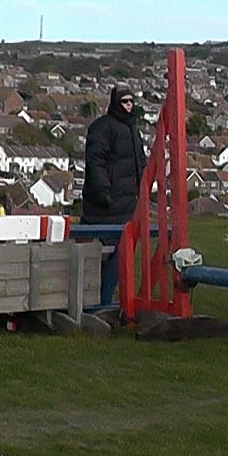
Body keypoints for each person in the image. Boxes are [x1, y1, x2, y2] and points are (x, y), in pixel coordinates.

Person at [80, 85, 147, 306]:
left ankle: (104, 301)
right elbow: (95, 162)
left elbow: (140, 163)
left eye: (131, 101)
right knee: (97, 258)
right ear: (116, 102)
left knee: (119, 259)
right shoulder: (103, 128)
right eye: (125, 101)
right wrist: (104, 193)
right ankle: (97, 302)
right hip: (104, 207)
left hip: (126, 206)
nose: (129, 105)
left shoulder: (132, 130)